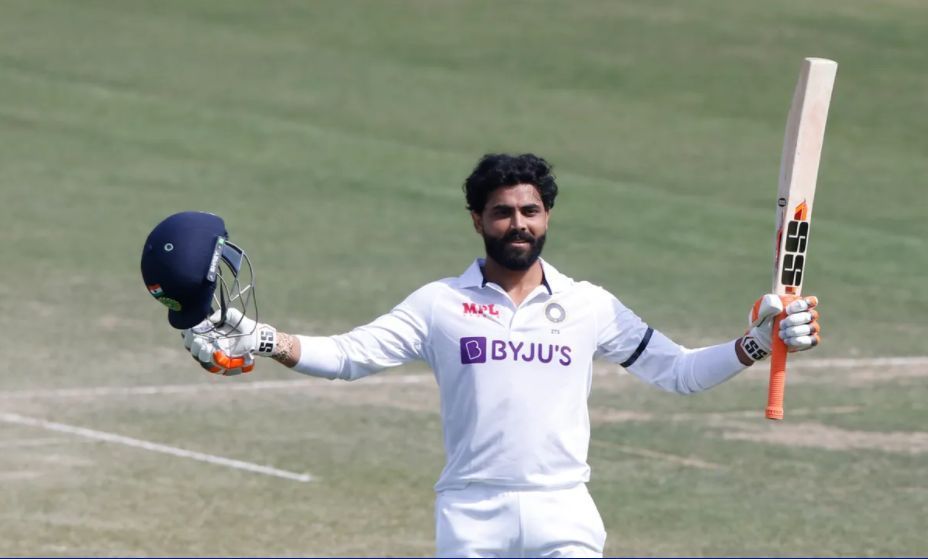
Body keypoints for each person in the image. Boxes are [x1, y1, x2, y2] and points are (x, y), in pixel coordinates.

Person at [178, 153, 821, 558]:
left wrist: (758, 343)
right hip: (470, 517)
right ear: (478, 221)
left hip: (563, 512)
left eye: (531, 212)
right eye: (503, 212)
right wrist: (260, 338)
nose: (519, 223)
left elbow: (679, 373)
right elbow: (347, 356)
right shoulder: (438, 305)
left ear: (548, 217)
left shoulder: (590, 305)